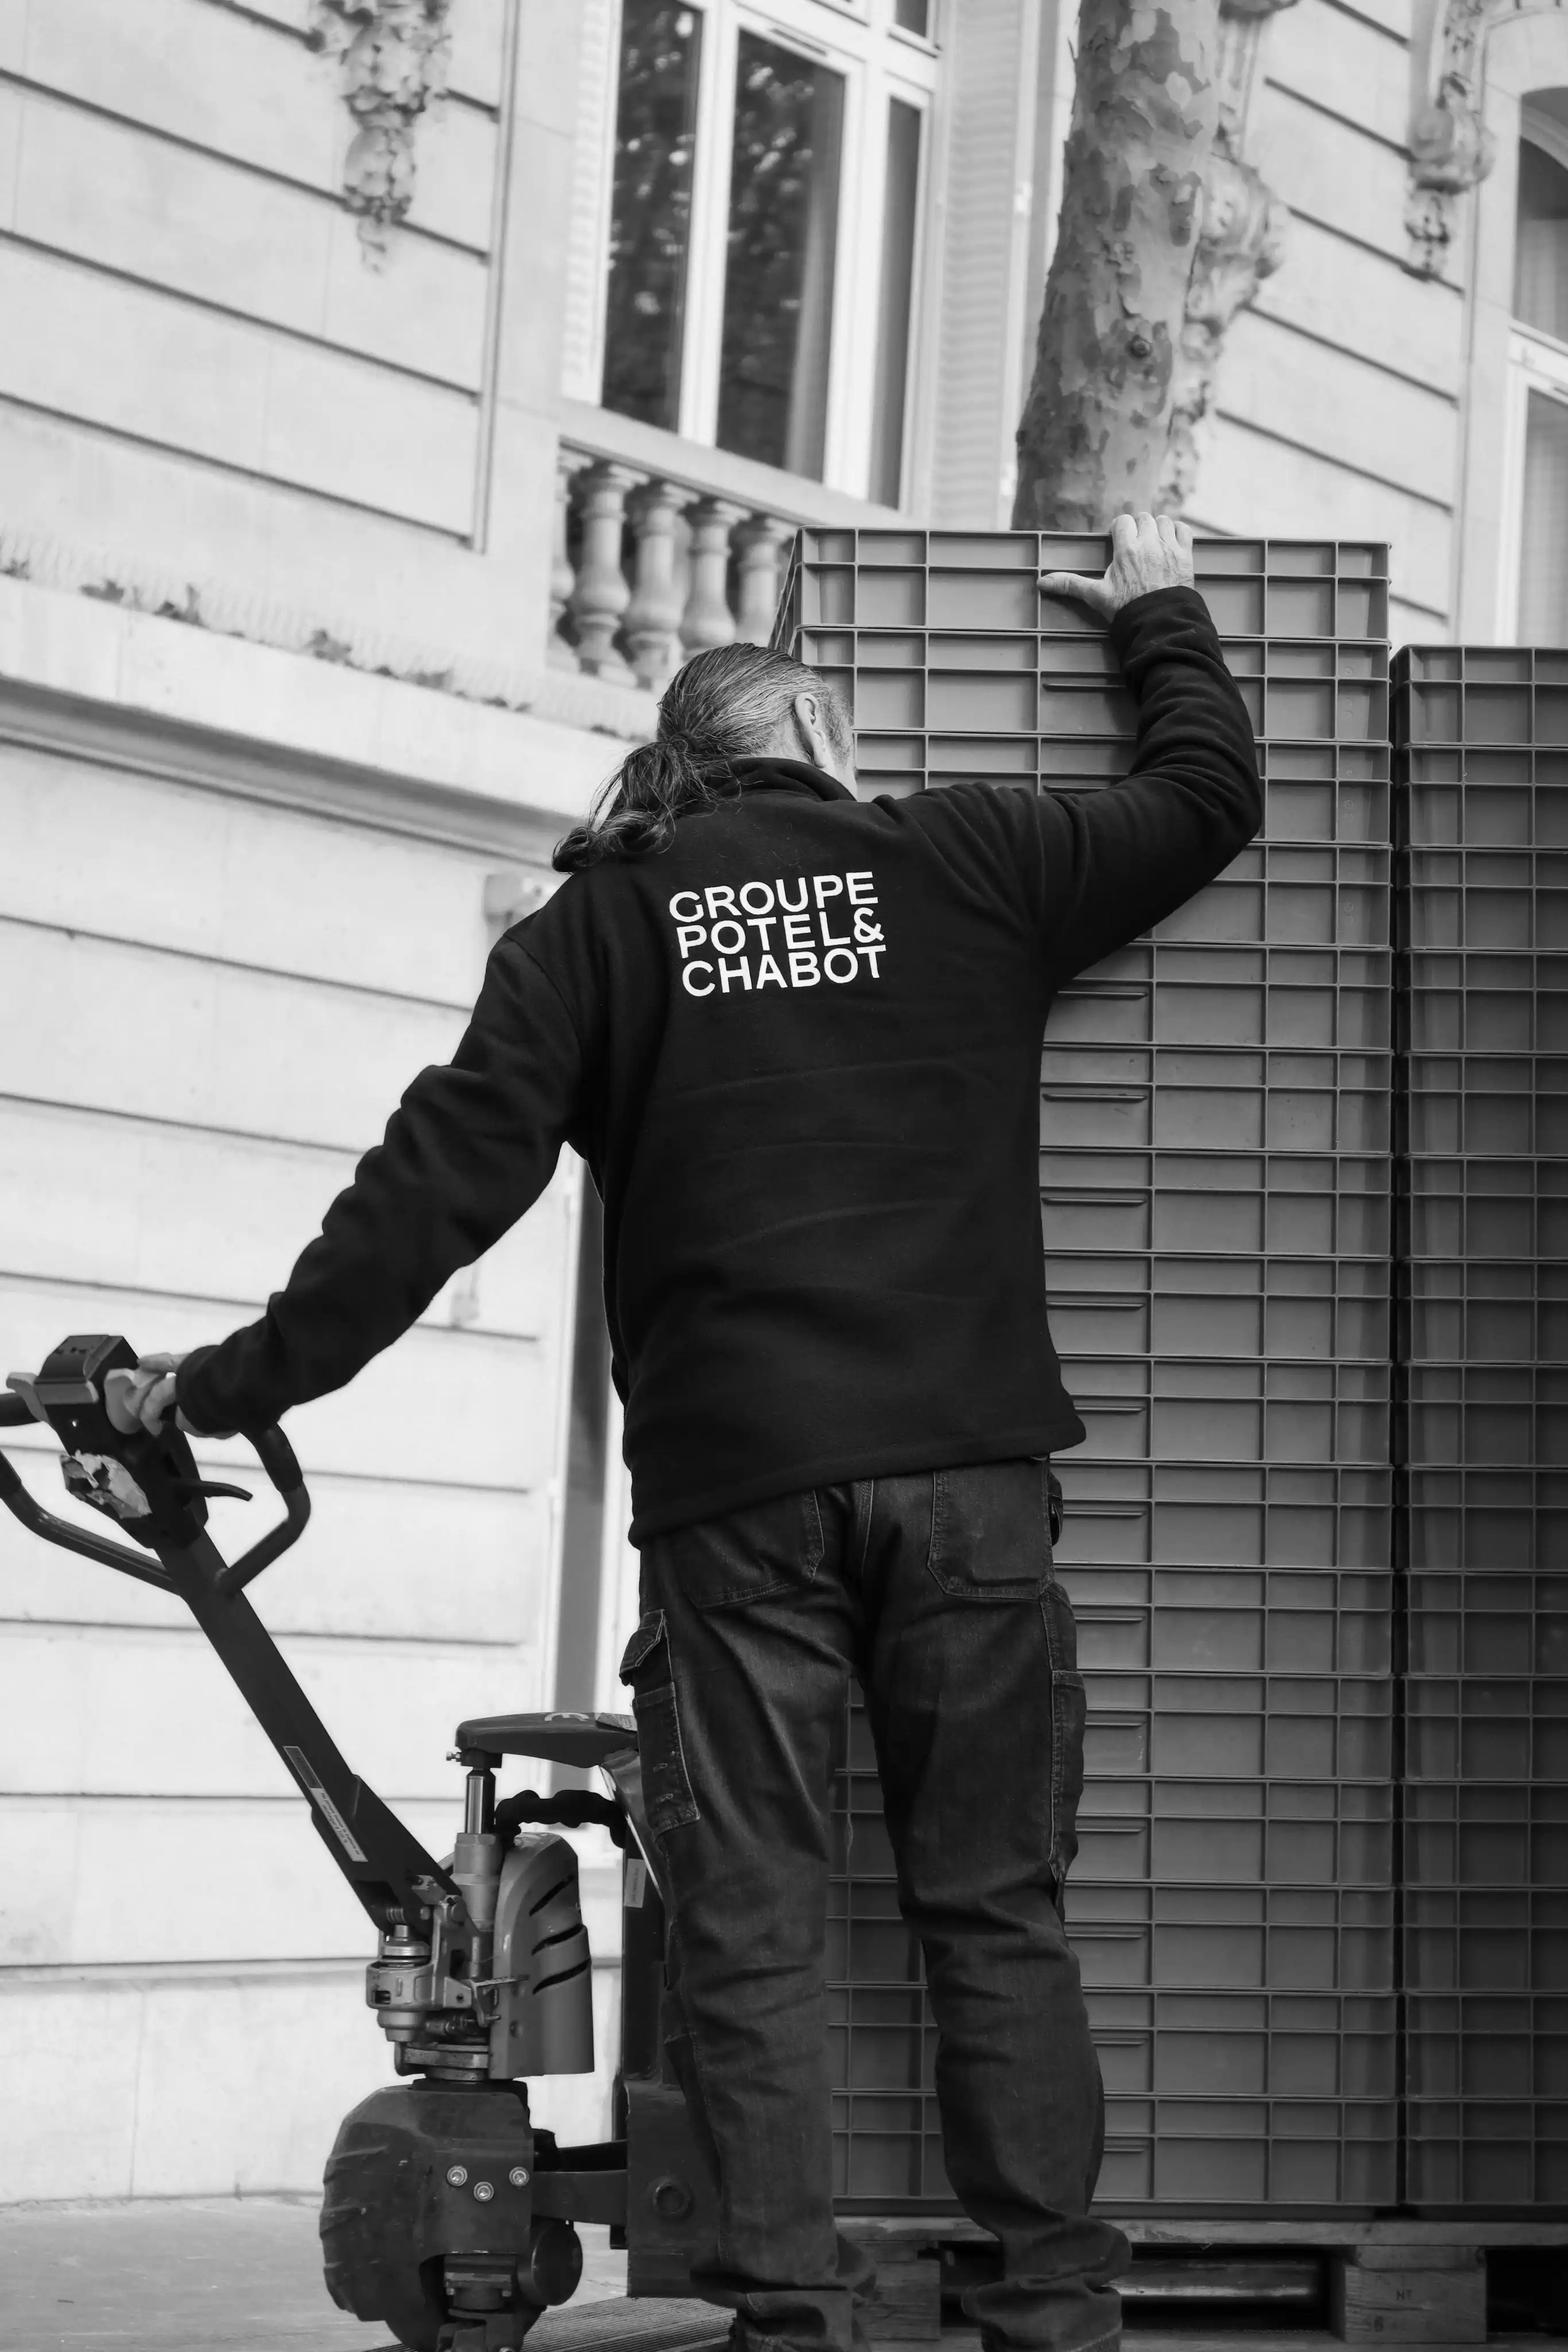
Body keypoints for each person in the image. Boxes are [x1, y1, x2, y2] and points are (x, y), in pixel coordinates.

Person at [115, 513, 1260, 2352]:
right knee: (994, 1911)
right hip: (969, 1480)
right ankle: (1056, 2318)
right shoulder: (962, 857)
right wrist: (1158, 614)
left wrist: (226, 1388)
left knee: (754, 1927)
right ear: (812, 738)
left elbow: (427, 1201)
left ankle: (789, 2327)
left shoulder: (599, 934)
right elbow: (1209, 794)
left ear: (685, 765)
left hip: (738, 1506)